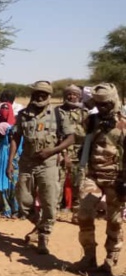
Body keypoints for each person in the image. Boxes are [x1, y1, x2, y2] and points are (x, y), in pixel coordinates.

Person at [7, 81, 74, 254]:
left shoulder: (58, 115)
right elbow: (15, 138)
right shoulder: (22, 115)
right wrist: (10, 162)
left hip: (48, 164)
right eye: (37, 93)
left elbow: (71, 137)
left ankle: (43, 237)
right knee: (22, 200)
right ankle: (39, 227)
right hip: (27, 162)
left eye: (43, 94)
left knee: (50, 203)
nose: (39, 96)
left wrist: (53, 151)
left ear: (49, 96)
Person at [73, 83, 125, 275]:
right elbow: (76, 136)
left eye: (106, 104)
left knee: (115, 220)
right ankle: (88, 257)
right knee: (84, 214)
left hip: (116, 179)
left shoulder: (123, 123)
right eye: (99, 104)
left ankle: (111, 258)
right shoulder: (91, 120)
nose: (102, 107)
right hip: (93, 176)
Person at [56, 84, 88, 216]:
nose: (72, 96)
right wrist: (61, 153)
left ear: (79, 96)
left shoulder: (84, 113)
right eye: (69, 94)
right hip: (61, 152)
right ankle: (54, 212)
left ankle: (77, 213)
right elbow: (55, 133)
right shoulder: (57, 112)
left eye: (75, 94)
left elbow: (88, 135)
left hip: (80, 153)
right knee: (58, 182)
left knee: (79, 183)